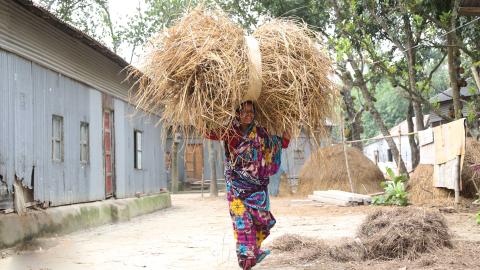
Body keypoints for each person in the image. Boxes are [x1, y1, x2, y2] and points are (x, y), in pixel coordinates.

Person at [206, 101, 290, 269]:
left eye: (251, 112)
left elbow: (281, 143)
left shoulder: (261, 133)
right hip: (236, 189)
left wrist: (289, 124)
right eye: (244, 112)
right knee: (242, 224)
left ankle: (254, 252)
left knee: (258, 222)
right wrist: (204, 112)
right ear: (237, 113)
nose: (248, 115)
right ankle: (246, 261)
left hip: (257, 190)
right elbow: (208, 132)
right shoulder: (230, 132)